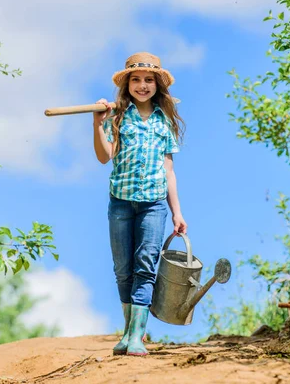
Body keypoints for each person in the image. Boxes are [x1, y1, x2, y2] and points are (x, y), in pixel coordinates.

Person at [93, 52, 187, 357]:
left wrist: (177, 212)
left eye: (148, 80)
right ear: (128, 85)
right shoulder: (118, 117)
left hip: (154, 205)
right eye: (136, 80)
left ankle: (136, 337)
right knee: (123, 270)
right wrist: (98, 124)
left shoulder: (165, 123)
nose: (142, 85)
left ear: (157, 85)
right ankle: (127, 332)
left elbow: (169, 171)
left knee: (145, 266)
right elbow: (104, 156)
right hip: (120, 203)